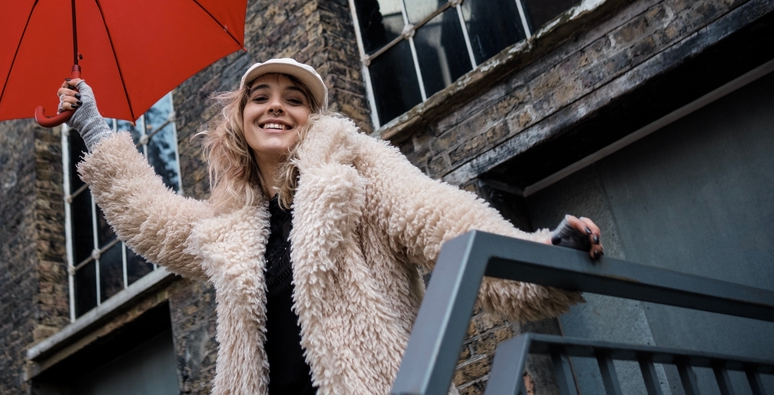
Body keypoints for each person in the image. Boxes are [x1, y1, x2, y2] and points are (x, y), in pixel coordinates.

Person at [57, 58, 602, 395]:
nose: (276, 108)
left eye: (294, 100)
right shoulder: (233, 222)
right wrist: (91, 124)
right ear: (241, 121)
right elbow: (154, 219)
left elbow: (438, 217)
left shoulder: (356, 171)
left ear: (311, 119)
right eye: (261, 98)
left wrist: (545, 255)